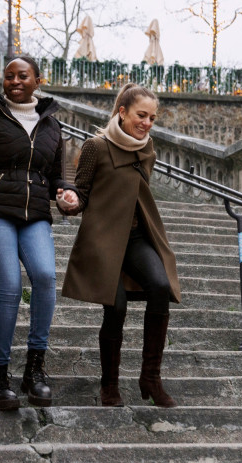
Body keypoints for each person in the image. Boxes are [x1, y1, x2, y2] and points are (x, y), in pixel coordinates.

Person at [0, 56, 78, 410]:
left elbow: (56, 177)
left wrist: (66, 194)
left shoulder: (52, 125)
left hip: (35, 215)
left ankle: (34, 368)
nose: (14, 81)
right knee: (11, 288)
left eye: (22, 76)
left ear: (37, 81)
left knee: (45, 277)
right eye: (9, 76)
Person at [61, 83, 181, 408]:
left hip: (136, 237)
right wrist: (69, 202)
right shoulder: (95, 146)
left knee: (160, 286)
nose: (147, 123)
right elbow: (81, 193)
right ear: (123, 112)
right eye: (142, 115)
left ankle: (151, 378)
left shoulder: (147, 149)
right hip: (102, 240)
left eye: (152, 118)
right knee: (116, 307)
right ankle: (109, 386)